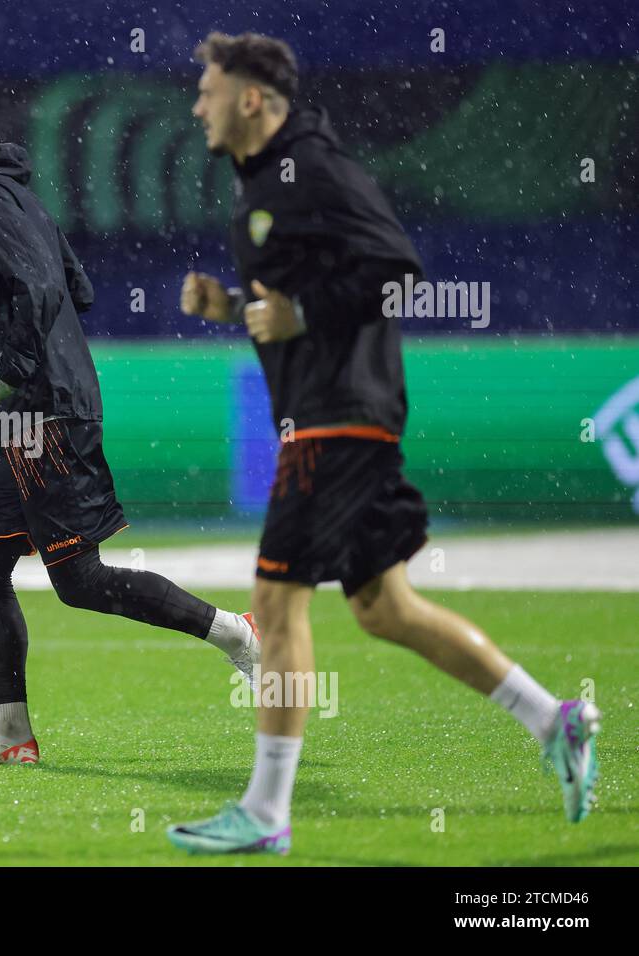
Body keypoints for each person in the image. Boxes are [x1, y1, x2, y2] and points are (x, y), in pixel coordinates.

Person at [169, 32, 600, 853]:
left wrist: (302, 313)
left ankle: (263, 813)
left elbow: (399, 270)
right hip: (327, 411)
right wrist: (232, 310)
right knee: (384, 608)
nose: (197, 103)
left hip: (341, 416)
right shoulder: (262, 181)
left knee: (273, 602)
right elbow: (308, 293)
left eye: (210, 89)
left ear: (252, 98)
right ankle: (556, 720)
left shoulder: (318, 169)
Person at [0, 85, 260, 765]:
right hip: (36, 410)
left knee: (80, 580)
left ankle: (237, 634)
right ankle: (11, 733)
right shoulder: (13, 187)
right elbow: (76, 286)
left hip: (44, 411)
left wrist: (9, 370)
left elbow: (42, 287)